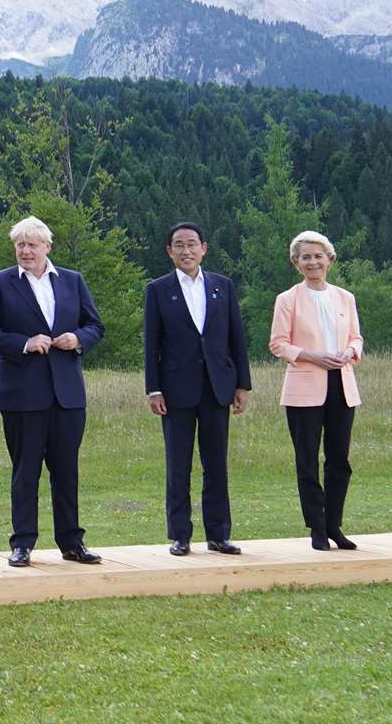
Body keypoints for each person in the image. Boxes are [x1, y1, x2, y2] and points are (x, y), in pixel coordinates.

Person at [0, 215, 104, 567]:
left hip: (68, 395)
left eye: (32, 244)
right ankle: (22, 543)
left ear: (48, 247)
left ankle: (72, 542)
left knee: (66, 470)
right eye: (20, 245)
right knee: (25, 471)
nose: (25, 251)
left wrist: (78, 339)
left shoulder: (72, 282)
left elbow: (95, 325)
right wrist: (23, 343)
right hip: (22, 395)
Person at [143, 222, 252, 556]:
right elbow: (152, 344)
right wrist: (154, 389)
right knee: (179, 465)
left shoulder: (223, 286)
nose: (186, 251)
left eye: (192, 244)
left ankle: (219, 534)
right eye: (179, 245)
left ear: (204, 248)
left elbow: (236, 338)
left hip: (217, 387)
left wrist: (242, 384)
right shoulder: (158, 289)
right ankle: (180, 535)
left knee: (216, 463)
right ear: (169, 251)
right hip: (175, 390)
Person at [269, 230, 364, 551]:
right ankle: (317, 527)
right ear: (296, 263)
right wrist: (313, 356)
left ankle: (335, 524)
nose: (313, 261)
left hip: (341, 385)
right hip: (304, 389)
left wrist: (350, 352)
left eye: (318, 256)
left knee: (339, 459)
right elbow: (278, 344)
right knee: (307, 460)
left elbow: (356, 338)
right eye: (305, 257)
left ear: (330, 260)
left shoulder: (345, 297)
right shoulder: (287, 299)